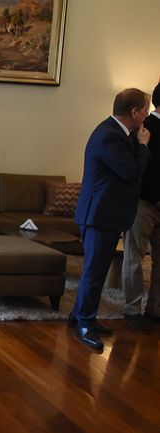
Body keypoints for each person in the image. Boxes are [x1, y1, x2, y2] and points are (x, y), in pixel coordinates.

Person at [71, 88, 151, 350]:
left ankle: (79, 316)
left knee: (97, 271)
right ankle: (84, 323)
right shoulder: (109, 135)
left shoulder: (118, 132)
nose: (148, 114)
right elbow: (130, 171)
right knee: (94, 273)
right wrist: (143, 146)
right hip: (99, 215)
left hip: (107, 215)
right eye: (146, 109)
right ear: (134, 111)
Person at [121, 83, 160, 330]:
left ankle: (155, 310)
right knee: (134, 258)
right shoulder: (144, 129)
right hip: (143, 203)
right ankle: (132, 310)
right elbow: (138, 169)